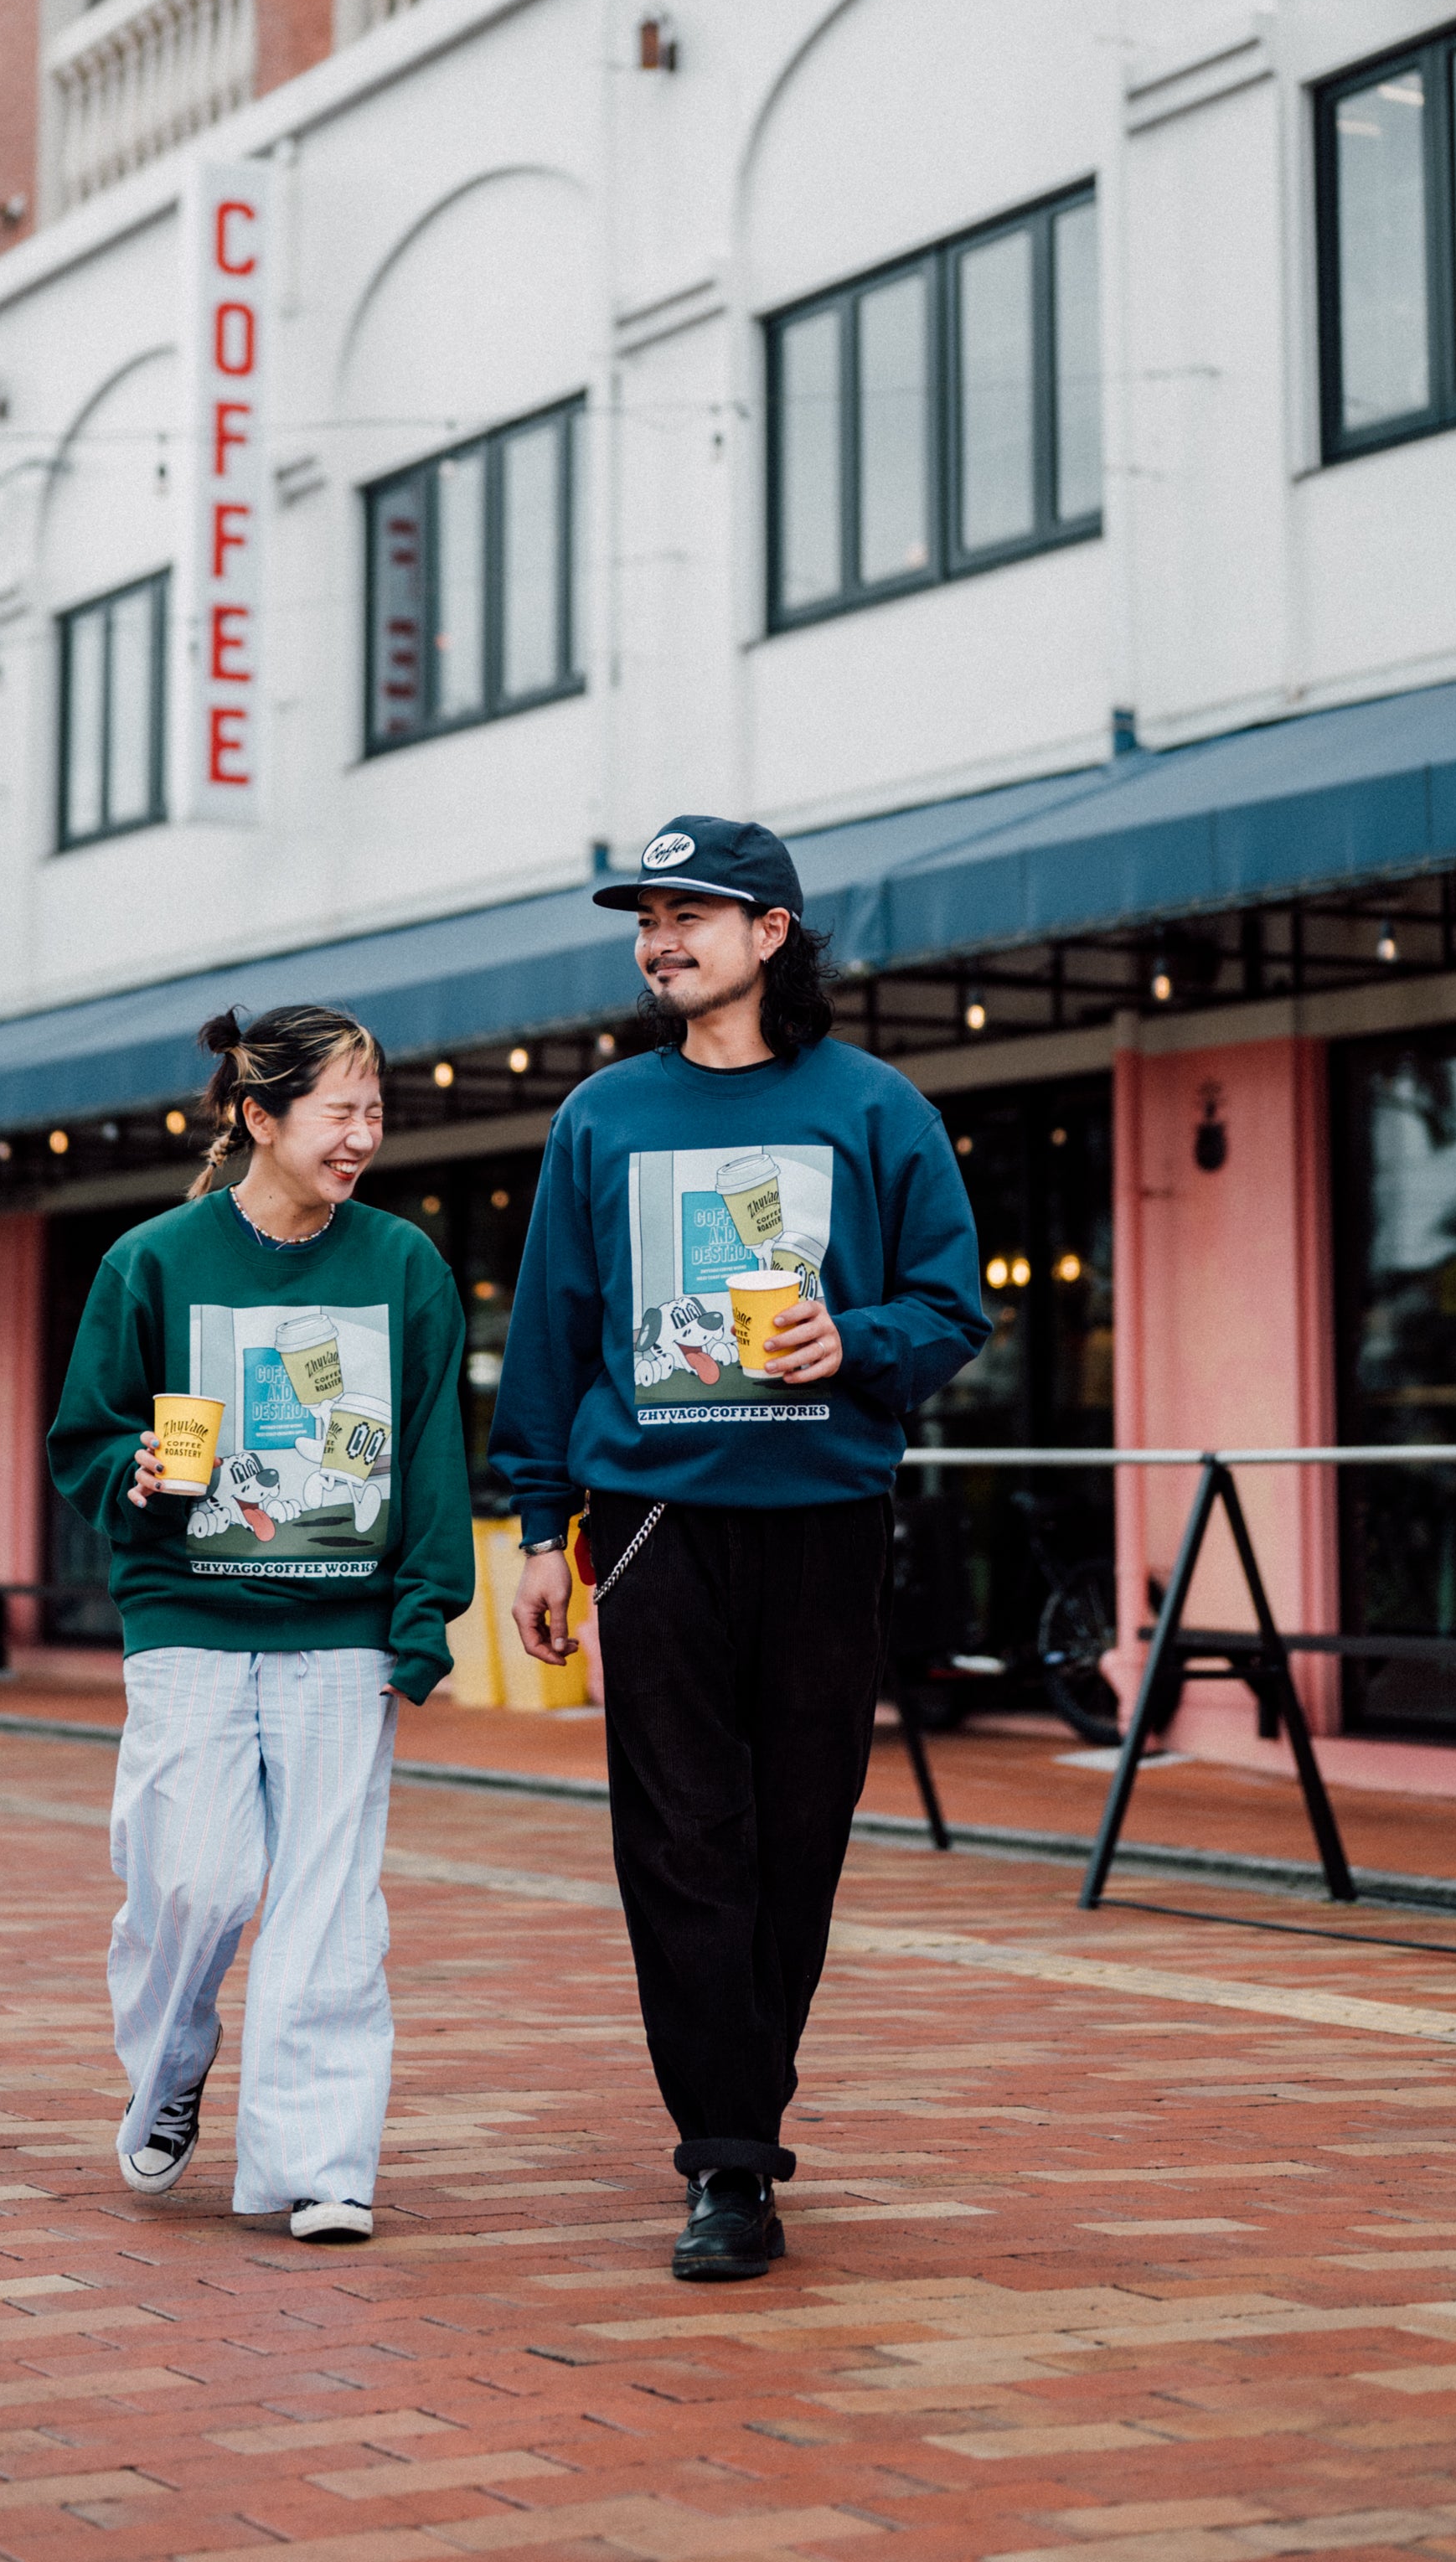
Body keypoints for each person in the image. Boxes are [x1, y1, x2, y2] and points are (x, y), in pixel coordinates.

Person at [491, 815, 988, 2282]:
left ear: (770, 934)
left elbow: (950, 1309)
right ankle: (727, 2159)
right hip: (652, 1523)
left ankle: (743, 2106)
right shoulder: (602, 1117)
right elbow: (551, 1333)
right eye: (646, 920)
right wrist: (538, 1529)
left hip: (825, 1520)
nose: (660, 941)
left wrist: (856, 1339)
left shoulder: (874, 1106)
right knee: (681, 1842)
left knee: (796, 1840)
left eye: (689, 915)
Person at [49, 1003, 473, 2243]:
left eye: (375, 1113)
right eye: (340, 1112)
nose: (362, 1137)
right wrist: (132, 1470)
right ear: (259, 1116)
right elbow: (86, 1434)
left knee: (330, 1903)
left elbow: (433, 1448)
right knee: (192, 1877)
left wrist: (424, 1611)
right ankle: (172, 2062)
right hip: (184, 1614)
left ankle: (319, 2165)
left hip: (343, 1629)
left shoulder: (403, 1265)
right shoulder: (153, 1262)